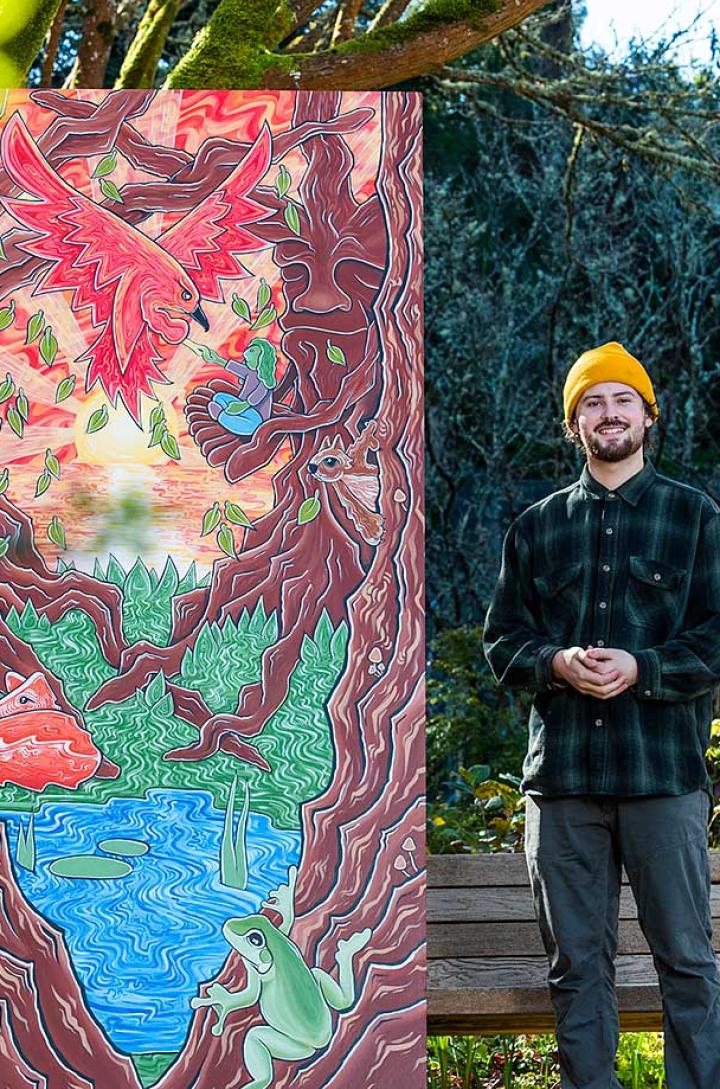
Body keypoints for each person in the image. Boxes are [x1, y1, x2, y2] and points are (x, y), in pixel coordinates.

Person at [483, 341, 720, 1089]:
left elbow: (716, 637)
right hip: (564, 784)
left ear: (649, 416)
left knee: (686, 958)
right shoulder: (536, 527)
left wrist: (641, 668)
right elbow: (502, 641)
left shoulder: (696, 517)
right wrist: (555, 663)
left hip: (664, 776)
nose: (608, 413)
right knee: (577, 966)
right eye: (592, 402)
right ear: (573, 423)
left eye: (622, 400)